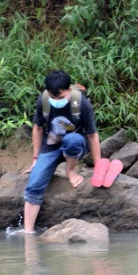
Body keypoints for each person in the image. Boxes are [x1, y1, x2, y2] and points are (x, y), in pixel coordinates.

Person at [22, 70, 101, 233]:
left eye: (61, 97)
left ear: (69, 91)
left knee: (71, 140)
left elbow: (92, 136)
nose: (56, 101)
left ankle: (70, 170)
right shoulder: (43, 101)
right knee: (34, 183)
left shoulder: (82, 104)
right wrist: (35, 158)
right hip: (51, 145)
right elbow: (38, 128)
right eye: (53, 98)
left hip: (76, 144)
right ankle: (28, 232)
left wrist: (98, 165)